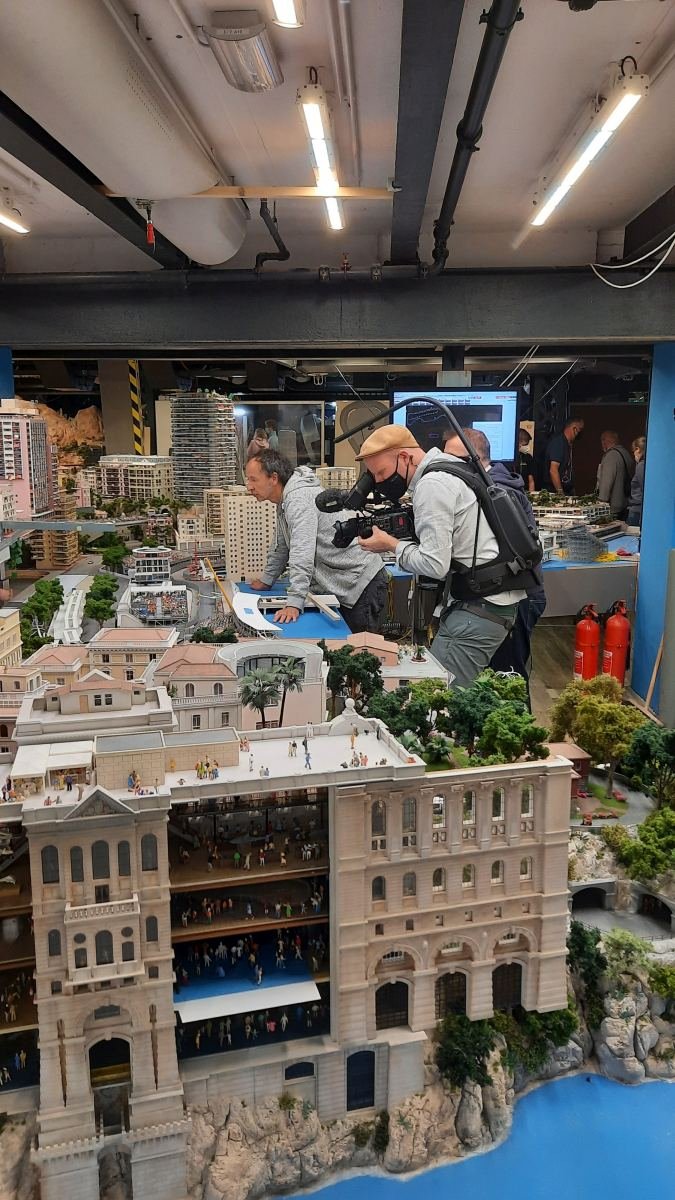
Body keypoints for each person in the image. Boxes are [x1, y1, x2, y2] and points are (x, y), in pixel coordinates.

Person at [355, 426, 527, 688]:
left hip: (479, 609)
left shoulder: (432, 484)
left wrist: (391, 545)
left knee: (439, 694)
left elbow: (435, 565)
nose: (379, 481)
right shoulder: (451, 468)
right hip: (488, 602)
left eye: (381, 472)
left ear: (405, 457)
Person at [445, 428, 547, 695]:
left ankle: (517, 721)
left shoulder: (499, 492)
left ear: (475, 459)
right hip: (513, 593)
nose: (447, 468)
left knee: (508, 678)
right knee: (495, 677)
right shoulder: (490, 486)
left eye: (454, 460)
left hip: (518, 595)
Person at [246, 449, 388, 632]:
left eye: (253, 480)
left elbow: (302, 551)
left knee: (360, 646)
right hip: (344, 581)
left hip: (359, 583)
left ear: (273, 478)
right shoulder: (286, 500)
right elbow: (282, 544)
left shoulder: (298, 499)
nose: (249, 487)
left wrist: (295, 602)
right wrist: (267, 579)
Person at [596, 430, 634, 519]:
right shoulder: (626, 453)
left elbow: (606, 482)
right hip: (625, 503)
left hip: (613, 506)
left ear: (605, 441)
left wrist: (601, 504)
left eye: (602, 440)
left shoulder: (611, 456)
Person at [545, 418, 584, 495]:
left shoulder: (568, 444)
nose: (579, 434)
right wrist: (560, 492)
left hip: (566, 489)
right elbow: (553, 470)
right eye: (579, 430)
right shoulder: (558, 443)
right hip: (555, 491)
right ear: (573, 428)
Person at [627, 436, 646, 526]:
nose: (633, 454)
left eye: (633, 451)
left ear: (638, 449)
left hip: (637, 511)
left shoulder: (641, 466)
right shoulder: (649, 464)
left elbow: (644, 488)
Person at [517, 428, 536, 493]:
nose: (527, 447)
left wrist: (531, 495)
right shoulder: (509, 458)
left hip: (525, 492)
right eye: (525, 445)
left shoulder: (528, 457)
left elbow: (531, 480)